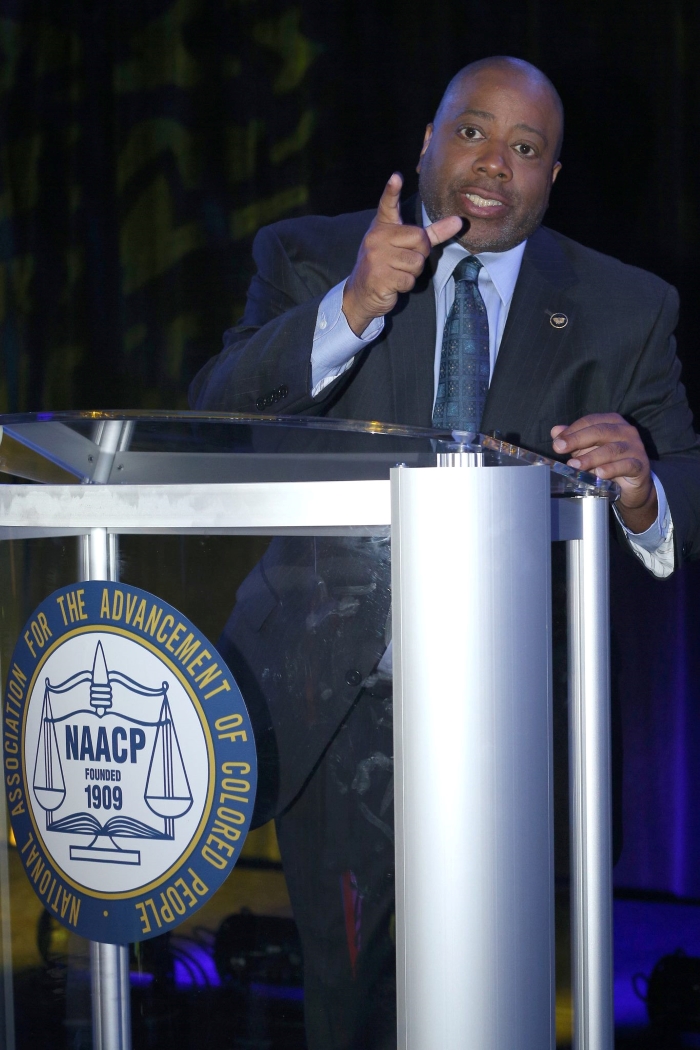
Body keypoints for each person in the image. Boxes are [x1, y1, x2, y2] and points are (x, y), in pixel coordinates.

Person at [190, 57, 700, 1049]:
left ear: (552, 177)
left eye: (525, 148)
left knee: (483, 997)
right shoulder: (310, 256)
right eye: (473, 132)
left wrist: (642, 488)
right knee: (349, 994)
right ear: (426, 142)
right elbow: (213, 418)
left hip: (506, 708)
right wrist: (347, 309)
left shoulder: (625, 306)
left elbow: (678, 476)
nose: (495, 163)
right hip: (332, 699)